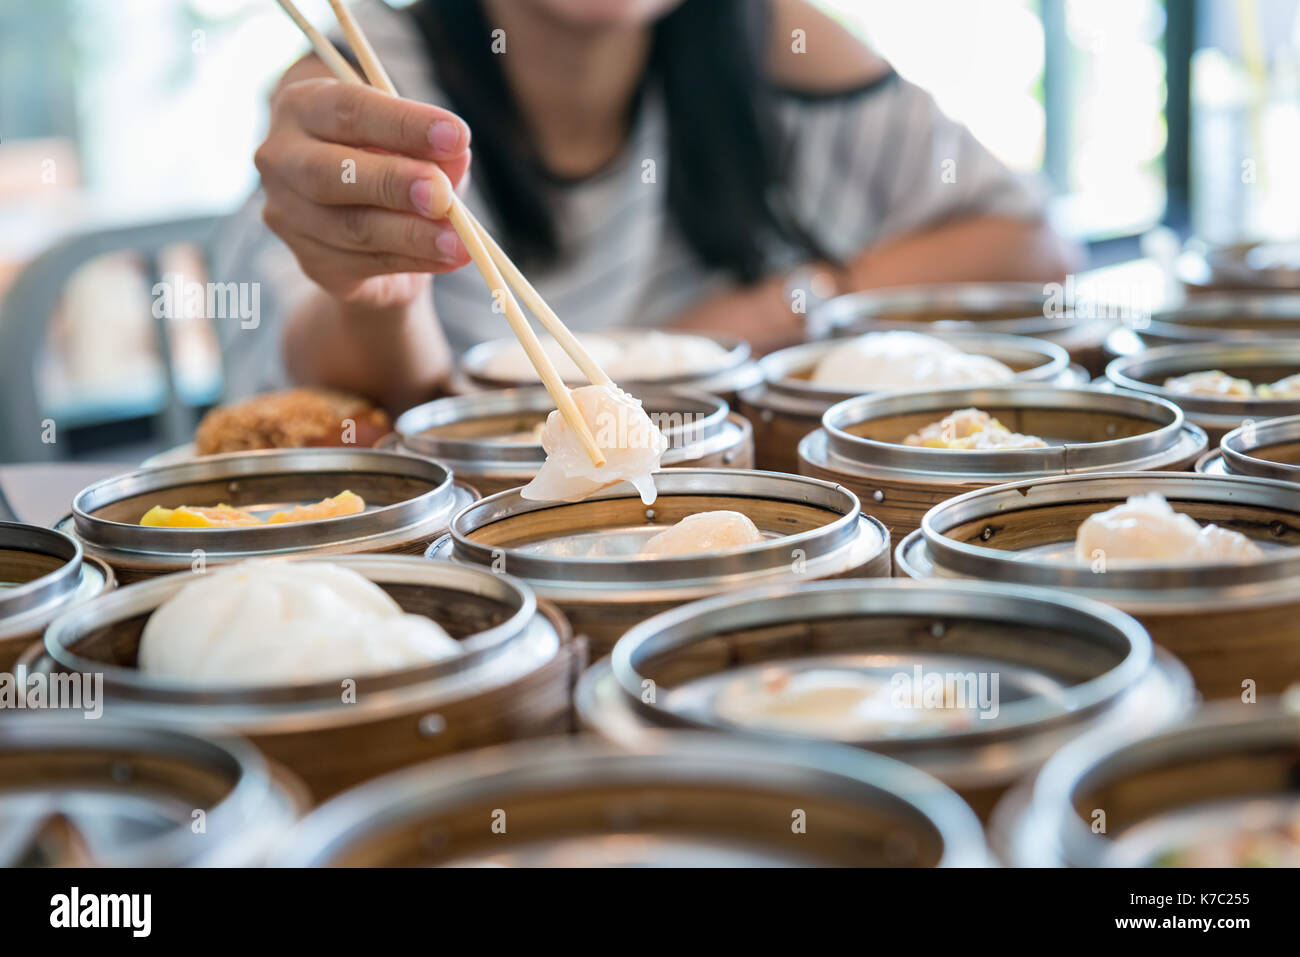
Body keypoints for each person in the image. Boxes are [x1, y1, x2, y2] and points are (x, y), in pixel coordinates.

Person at [227, 0, 1077, 412]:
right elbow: (362, 406)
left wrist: (777, 306)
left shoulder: (769, 41)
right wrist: (376, 291)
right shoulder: (363, 80)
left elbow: (1031, 245)